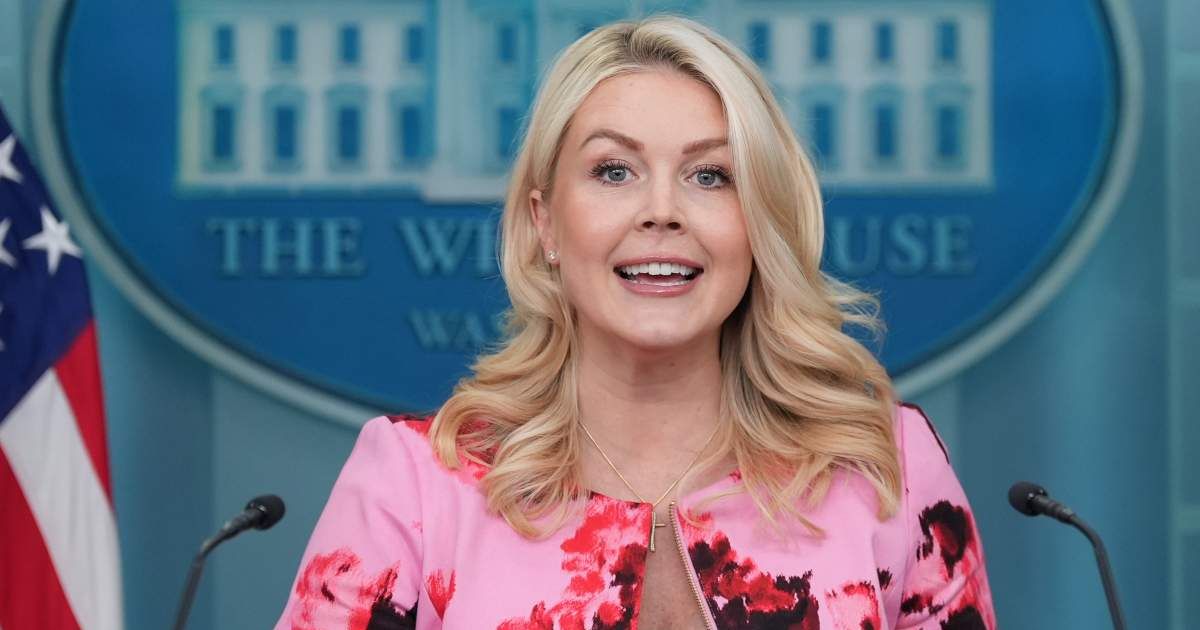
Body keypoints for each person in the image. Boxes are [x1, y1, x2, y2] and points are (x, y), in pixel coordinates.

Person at [275, 15, 995, 630]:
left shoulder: (884, 469)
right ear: (545, 223)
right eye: (614, 171)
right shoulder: (419, 481)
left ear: (760, 224)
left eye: (710, 175)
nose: (662, 210)